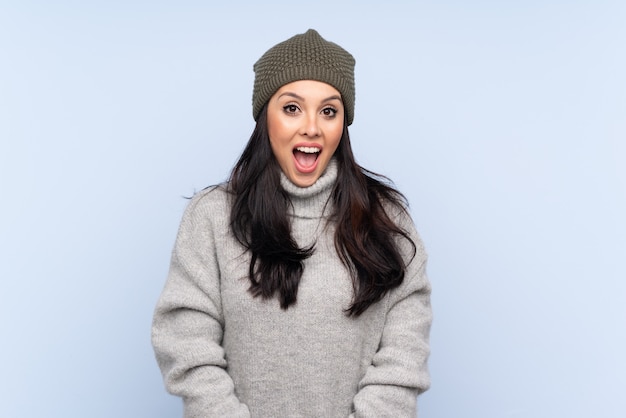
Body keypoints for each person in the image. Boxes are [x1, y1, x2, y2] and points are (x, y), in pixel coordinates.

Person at [152, 29, 432, 418]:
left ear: (342, 124)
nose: (312, 128)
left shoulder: (387, 220)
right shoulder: (212, 217)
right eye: (292, 108)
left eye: (329, 111)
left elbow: (403, 360)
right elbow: (187, 343)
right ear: (265, 116)